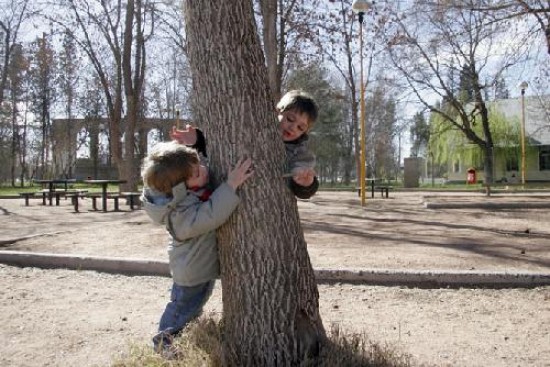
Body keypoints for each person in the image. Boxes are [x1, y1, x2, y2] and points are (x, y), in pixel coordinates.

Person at [140, 141, 253, 354]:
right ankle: (163, 343)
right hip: (191, 273)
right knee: (181, 309)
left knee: (191, 307)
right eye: (195, 173)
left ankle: (182, 336)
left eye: (198, 164)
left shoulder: (191, 191)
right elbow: (209, 215)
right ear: (180, 188)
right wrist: (230, 185)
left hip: (197, 269)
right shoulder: (180, 213)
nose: (203, 170)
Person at [171, 89, 319, 199]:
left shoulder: (300, 154)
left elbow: (302, 171)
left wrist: (306, 183)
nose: (293, 128)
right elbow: (223, 143)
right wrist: (196, 140)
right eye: (290, 119)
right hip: (219, 192)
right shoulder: (251, 129)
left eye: (301, 127)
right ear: (276, 112)